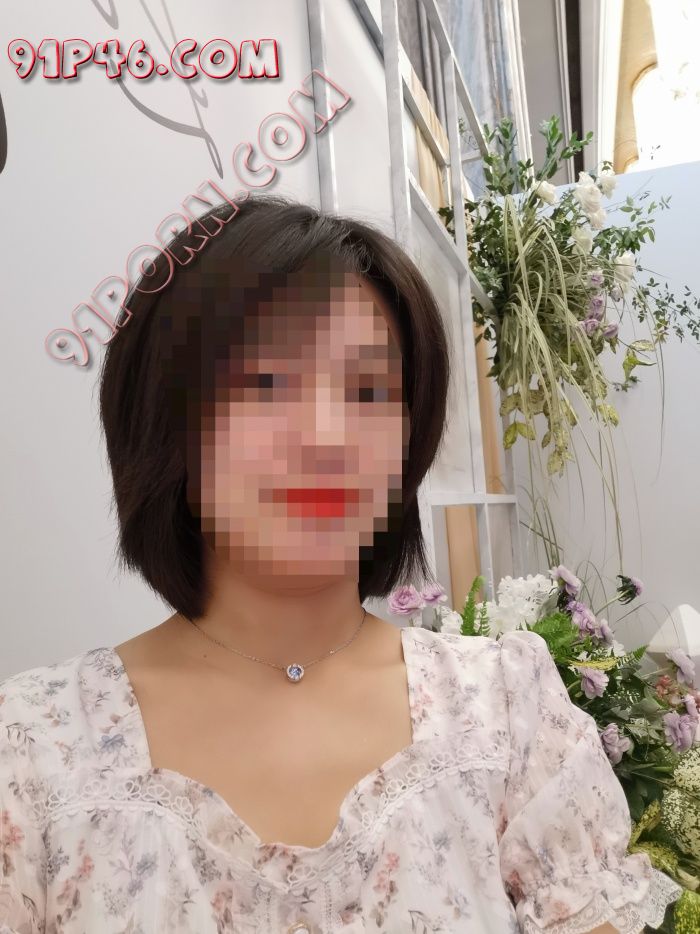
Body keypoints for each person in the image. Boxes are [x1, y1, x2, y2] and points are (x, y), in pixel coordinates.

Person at [0, 194, 682, 933]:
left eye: (368, 392)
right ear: (167, 421)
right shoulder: (34, 752)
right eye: (264, 384)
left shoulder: (509, 715)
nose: (326, 437)